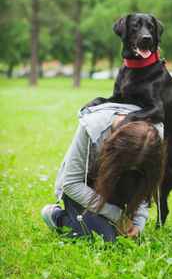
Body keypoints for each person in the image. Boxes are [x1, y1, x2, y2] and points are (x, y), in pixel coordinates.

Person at [41, 102, 165, 242]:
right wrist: (118, 216)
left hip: (112, 188)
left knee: (122, 238)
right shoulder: (92, 128)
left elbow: (145, 184)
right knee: (103, 239)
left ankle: (98, 220)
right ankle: (57, 217)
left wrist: (138, 224)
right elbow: (70, 184)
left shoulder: (154, 136)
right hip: (85, 186)